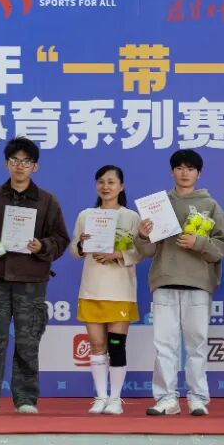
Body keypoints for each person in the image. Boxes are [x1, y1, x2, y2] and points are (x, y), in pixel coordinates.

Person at [0, 136, 70, 415]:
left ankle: (26, 399)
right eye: (14, 161)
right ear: (6, 164)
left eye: (26, 161)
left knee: (28, 343)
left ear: (35, 167)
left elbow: (61, 239)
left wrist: (42, 246)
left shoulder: (47, 201)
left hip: (31, 282)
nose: (20, 166)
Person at [136, 148, 224, 416]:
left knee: (197, 344)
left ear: (198, 174)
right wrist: (142, 235)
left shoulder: (210, 205)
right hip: (165, 280)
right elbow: (147, 251)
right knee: (164, 344)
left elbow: (223, 246)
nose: (184, 173)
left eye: (190, 168)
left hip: (198, 283)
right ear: (172, 172)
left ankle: (197, 398)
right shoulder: (158, 205)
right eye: (179, 168)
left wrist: (198, 242)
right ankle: (166, 398)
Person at [71, 165, 141, 415]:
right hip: (92, 289)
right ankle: (100, 396)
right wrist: (82, 244)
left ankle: (115, 398)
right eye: (101, 181)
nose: (106, 186)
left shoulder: (131, 217)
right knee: (97, 344)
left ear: (121, 186)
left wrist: (117, 255)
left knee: (116, 345)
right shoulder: (86, 215)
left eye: (111, 182)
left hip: (120, 291)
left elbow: (141, 252)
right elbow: (74, 250)